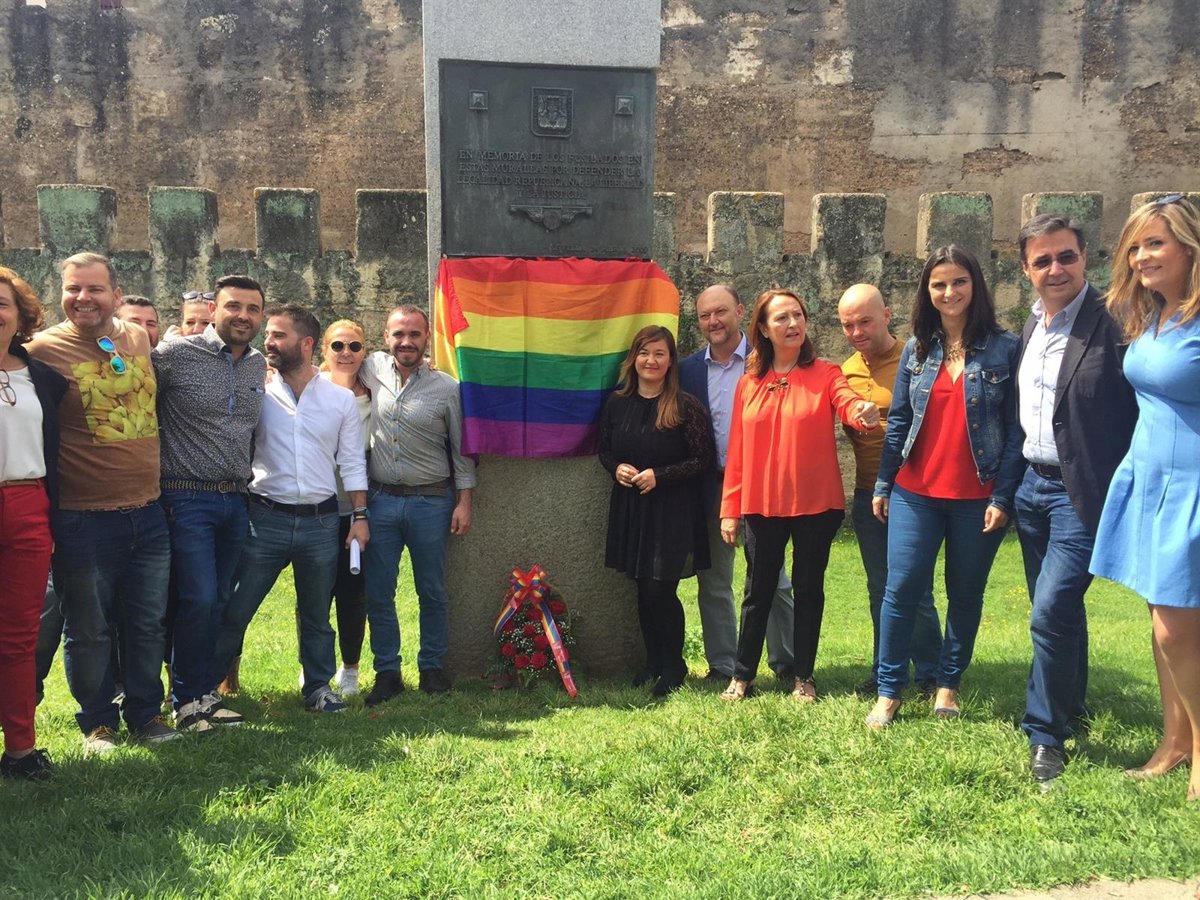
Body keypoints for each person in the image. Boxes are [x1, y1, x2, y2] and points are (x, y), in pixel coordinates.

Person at [28, 252, 179, 750]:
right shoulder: (42, 351)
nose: (82, 298)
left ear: (116, 295)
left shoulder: (135, 337)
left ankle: (145, 715)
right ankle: (97, 721)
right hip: (83, 519)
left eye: (94, 289)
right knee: (89, 629)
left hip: (148, 512)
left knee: (147, 623)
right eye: (73, 288)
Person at [867, 246, 1023, 729]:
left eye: (959, 282)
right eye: (939, 284)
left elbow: (1015, 430)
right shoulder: (918, 348)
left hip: (977, 497)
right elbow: (899, 421)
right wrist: (884, 483)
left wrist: (1002, 495)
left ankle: (947, 685)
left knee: (965, 593)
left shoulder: (1005, 348)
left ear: (975, 285)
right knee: (901, 589)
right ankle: (888, 691)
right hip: (916, 492)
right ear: (927, 292)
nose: (949, 292)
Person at [1013, 215, 1137, 784]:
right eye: (1042, 260)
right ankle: (1072, 703)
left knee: (1050, 610)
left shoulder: (1117, 323)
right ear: (1026, 269)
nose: (1055, 269)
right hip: (1031, 489)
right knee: (1061, 611)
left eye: (1066, 256)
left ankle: (1045, 734)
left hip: (1081, 492)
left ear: (1086, 257)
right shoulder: (1031, 326)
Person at [1090, 194, 1200, 800]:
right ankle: (1175, 740)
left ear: (1190, 246)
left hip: (1191, 485)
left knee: (1173, 628)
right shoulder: (1157, 314)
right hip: (1150, 477)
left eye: (1155, 243)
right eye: (1135, 247)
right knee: (1164, 618)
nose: (1141, 257)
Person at [719, 289, 879, 702]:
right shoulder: (749, 383)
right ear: (763, 328)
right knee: (758, 591)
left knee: (809, 589)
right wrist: (730, 510)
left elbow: (847, 403)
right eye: (782, 318)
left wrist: (861, 412)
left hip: (815, 505)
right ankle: (742, 675)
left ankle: (803, 676)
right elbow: (737, 450)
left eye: (798, 315)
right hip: (761, 505)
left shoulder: (826, 373)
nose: (793, 324)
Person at [214, 305, 369, 713]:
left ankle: (317, 688)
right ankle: (204, 689)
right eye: (268, 334)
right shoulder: (259, 392)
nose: (268, 341)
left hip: (321, 522)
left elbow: (352, 462)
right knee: (237, 608)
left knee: (317, 614)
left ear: (306, 344)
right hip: (265, 518)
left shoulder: (339, 400)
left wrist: (360, 516)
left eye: (278, 335)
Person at [153, 275, 267, 731]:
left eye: (252, 309)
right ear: (213, 311)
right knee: (197, 598)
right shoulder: (174, 355)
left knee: (217, 600)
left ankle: (204, 694)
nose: (243, 316)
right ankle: (184, 701)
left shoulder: (257, 364)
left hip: (236, 500)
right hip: (185, 496)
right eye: (233, 306)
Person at [679, 284, 795, 684]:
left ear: (740, 312)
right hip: (712, 487)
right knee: (714, 582)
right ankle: (724, 665)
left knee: (773, 578)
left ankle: (787, 663)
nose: (713, 321)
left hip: (763, 485)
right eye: (705, 315)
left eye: (721, 312)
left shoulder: (769, 362)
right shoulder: (688, 371)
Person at [360, 305, 476, 703]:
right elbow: (335, 366)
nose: (406, 341)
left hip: (432, 502)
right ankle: (387, 672)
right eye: (398, 334)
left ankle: (431, 667)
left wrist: (465, 501)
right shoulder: (372, 368)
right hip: (381, 502)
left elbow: (461, 450)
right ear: (385, 337)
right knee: (379, 592)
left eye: (414, 334)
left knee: (432, 590)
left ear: (427, 338)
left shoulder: (447, 388)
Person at [837, 283, 942, 697]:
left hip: (913, 493)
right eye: (848, 325)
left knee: (915, 587)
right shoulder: (846, 371)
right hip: (868, 493)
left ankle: (931, 672)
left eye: (865, 321)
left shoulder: (918, 358)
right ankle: (885, 670)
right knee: (879, 587)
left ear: (887, 315)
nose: (857, 332)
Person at [600, 325, 714, 696]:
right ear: (633, 358)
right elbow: (604, 450)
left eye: (659, 353)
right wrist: (617, 468)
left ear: (670, 361)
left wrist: (660, 476)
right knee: (641, 587)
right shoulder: (617, 403)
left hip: (672, 511)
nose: (651, 360)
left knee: (659, 589)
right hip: (632, 508)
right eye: (644, 352)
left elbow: (702, 459)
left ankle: (674, 666)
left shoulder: (685, 406)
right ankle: (652, 662)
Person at [0, 267, 67, 780]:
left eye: (2, 304)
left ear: (20, 315)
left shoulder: (42, 378)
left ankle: (21, 750)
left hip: (27, 505)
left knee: (20, 637)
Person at [318, 320, 372, 696]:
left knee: (353, 593)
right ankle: (314, 667)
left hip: (357, 510)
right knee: (315, 594)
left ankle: (350, 669)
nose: (346, 353)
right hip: (318, 508)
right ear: (324, 350)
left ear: (365, 352)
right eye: (337, 346)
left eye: (354, 346)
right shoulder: (310, 389)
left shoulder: (375, 392)